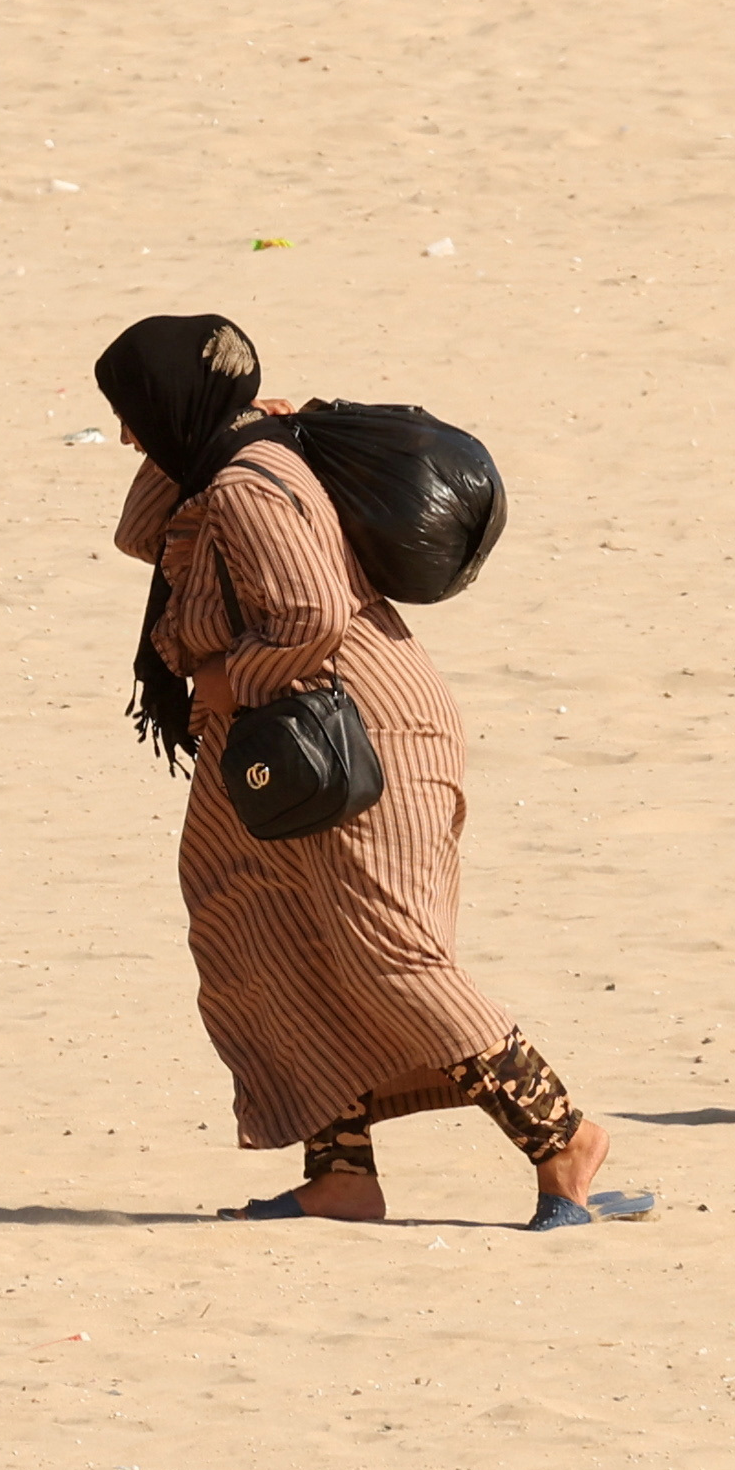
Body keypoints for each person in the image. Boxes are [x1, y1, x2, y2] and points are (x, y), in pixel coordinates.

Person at [97, 315, 643, 1229]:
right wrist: (207, 429)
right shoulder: (222, 465)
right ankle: (342, 1174)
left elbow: (309, 615)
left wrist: (228, 674)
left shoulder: (246, 488)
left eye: (133, 413)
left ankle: (563, 1138)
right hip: (275, 739)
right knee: (258, 928)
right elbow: (138, 531)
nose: (122, 433)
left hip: (356, 733)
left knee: (391, 950)